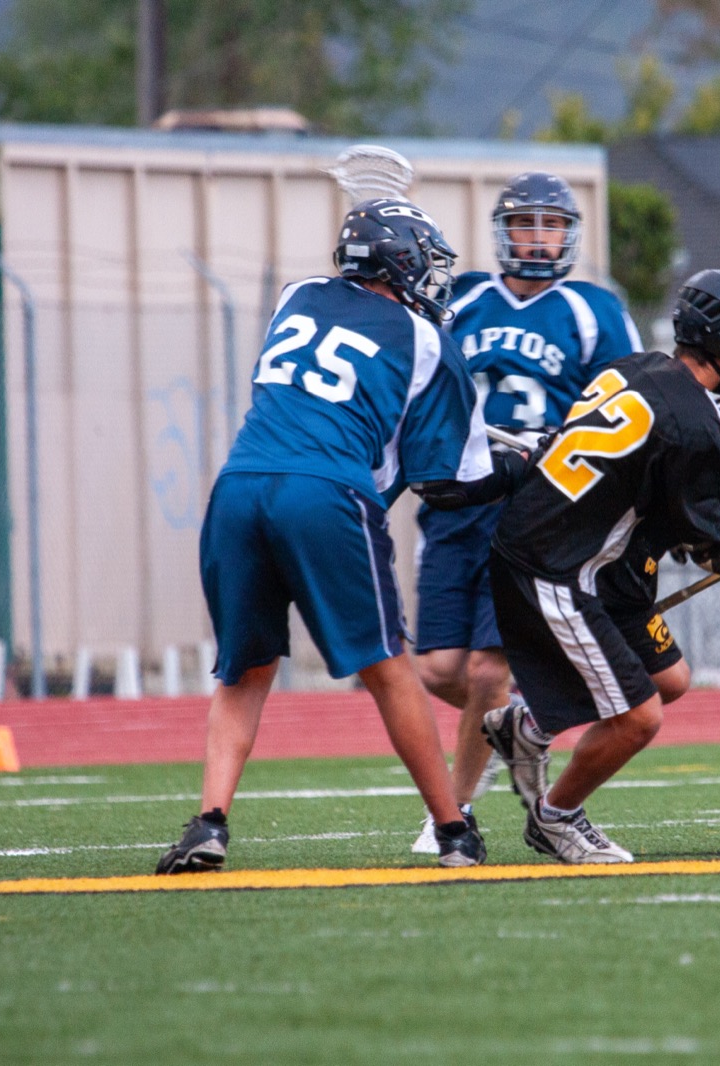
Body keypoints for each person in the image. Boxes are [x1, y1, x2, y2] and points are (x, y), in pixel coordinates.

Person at [156, 197, 491, 873]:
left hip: (240, 484)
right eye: (422, 261)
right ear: (399, 262)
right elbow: (451, 478)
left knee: (244, 671)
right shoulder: (424, 339)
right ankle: (453, 830)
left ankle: (210, 822)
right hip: (324, 489)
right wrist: (522, 464)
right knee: (389, 667)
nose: (430, 276)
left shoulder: (298, 295)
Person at [420, 269, 720, 864]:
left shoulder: (638, 366)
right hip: (559, 567)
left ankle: (529, 727)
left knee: (670, 680)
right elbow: (700, 543)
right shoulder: (697, 423)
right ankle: (556, 817)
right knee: (640, 717)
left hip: (576, 549)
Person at [409, 172, 641, 853]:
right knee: (439, 671)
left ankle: (451, 812)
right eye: (523, 225)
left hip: (532, 508)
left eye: (549, 226)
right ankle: (516, 726)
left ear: (567, 234)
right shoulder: (462, 300)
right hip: (460, 502)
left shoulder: (594, 309)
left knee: (485, 671)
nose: (536, 239)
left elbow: (627, 404)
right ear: (501, 232)